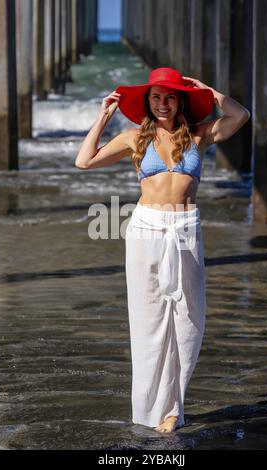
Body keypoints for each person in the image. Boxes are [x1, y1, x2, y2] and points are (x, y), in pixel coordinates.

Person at [75, 67, 250, 433]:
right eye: (156, 97)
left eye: (170, 96)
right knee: (148, 322)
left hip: (185, 230)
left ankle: (174, 406)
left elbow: (240, 116)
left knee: (188, 321)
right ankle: (154, 411)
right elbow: (84, 161)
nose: (163, 104)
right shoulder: (134, 137)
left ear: (180, 100)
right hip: (145, 230)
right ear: (147, 101)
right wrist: (103, 116)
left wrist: (212, 93)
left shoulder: (199, 136)